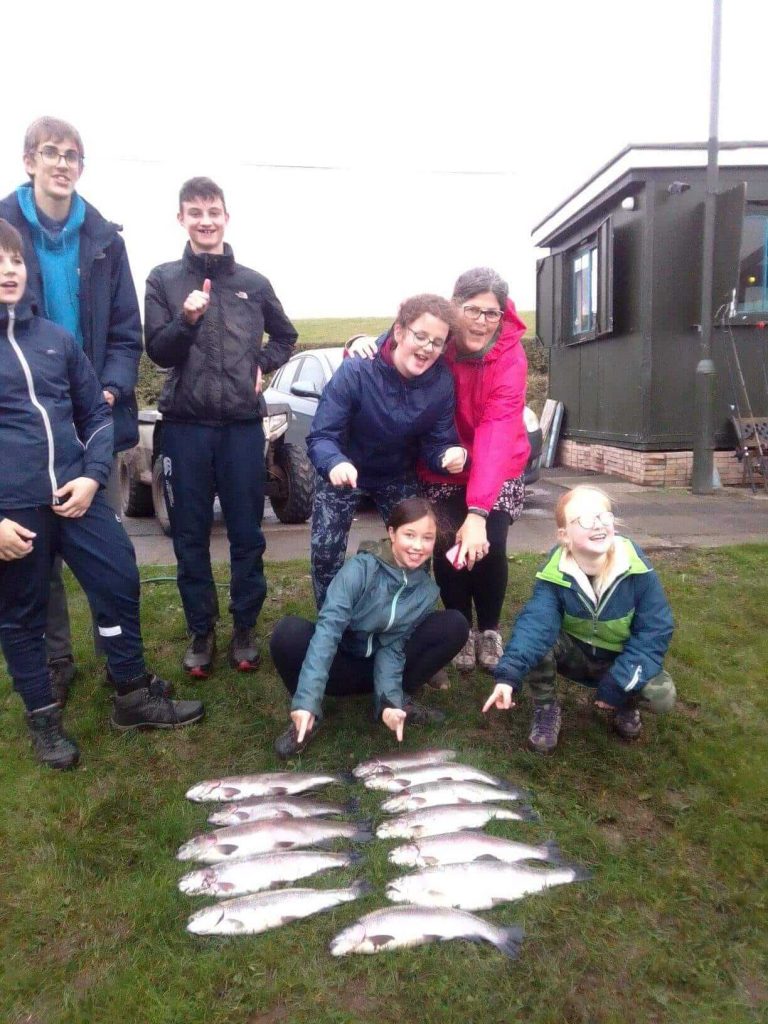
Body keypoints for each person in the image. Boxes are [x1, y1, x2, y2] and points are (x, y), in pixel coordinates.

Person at [0, 220, 203, 770]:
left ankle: (132, 692)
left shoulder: (55, 341)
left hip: (78, 492)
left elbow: (94, 412)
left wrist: (92, 475)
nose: (8, 271)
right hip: (13, 512)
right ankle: (43, 717)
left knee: (117, 579)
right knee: (21, 614)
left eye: (15, 261)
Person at [0, 116, 143, 705]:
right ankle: (54, 661)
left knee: (104, 552)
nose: (62, 163)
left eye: (73, 155)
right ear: (30, 160)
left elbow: (125, 332)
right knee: (35, 569)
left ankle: (119, 661)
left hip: (89, 416)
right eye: (50, 153)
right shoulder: (5, 230)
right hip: (22, 430)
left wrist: (106, 390)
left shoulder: (106, 238)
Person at [145, 177, 297, 678]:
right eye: (195, 212)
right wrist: (186, 319)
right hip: (185, 428)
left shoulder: (252, 282)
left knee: (247, 533)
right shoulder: (164, 279)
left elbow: (286, 335)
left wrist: (262, 360)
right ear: (181, 218)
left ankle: (245, 628)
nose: (205, 220)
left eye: (213, 211)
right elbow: (158, 351)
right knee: (189, 535)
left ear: (226, 217)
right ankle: (200, 631)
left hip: (239, 427)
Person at [348, 267, 530, 679]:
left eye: (492, 313)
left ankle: (489, 629)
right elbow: (397, 344)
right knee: (447, 545)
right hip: (440, 458)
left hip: (496, 460)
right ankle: (459, 625)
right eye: (473, 310)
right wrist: (358, 345)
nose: (482, 321)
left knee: (489, 544)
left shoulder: (510, 356)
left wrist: (480, 513)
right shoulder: (439, 335)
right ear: (454, 306)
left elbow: (497, 430)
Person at [482, 485, 676, 754]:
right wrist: (508, 676)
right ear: (564, 535)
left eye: (603, 516)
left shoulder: (638, 570)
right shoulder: (554, 574)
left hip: (618, 658)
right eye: (584, 519)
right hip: (574, 655)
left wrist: (618, 683)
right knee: (538, 644)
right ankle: (546, 710)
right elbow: (535, 626)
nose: (598, 525)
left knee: (662, 695)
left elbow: (655, 631)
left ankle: (626, 703)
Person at [270, 497, 469, 757]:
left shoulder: (426, 591)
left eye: (427, 538)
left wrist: (388, 702)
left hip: (376, 668)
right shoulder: (359, 570)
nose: (418, 546)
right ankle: (308, 716)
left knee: (455, 624)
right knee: (287, 633)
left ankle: (396, 702)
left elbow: (395, 647)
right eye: (410, 535)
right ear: (392, 533)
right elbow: (327, 634)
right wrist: (308, 699)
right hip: (339, 666)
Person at [307, 293, 466, 610]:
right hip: (343, 471)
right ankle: (332, 620)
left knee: (417, 547)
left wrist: (448, 454)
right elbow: (322, 435)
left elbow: (436, 441)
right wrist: (335, 461)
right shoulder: (356, 372)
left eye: (437, 342)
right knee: (326, 551)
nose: (426, 348)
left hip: (396, 473)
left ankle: (407, 614)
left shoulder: (440, 383)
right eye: (420, 336)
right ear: (399, 332)